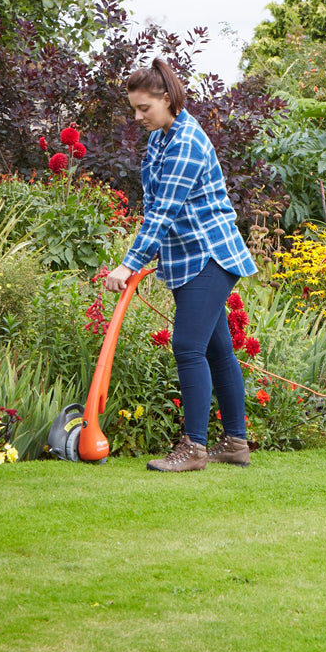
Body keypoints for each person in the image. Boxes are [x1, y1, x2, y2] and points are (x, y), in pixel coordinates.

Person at [104, 58, 256, 472]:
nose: (138, 117)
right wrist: (142, 258)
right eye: (134, 109)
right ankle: (236, 443)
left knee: (188, 347)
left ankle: (194, 449)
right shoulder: (161, 138)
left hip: (209, 254)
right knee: (218, 350)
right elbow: (154, 203)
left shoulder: (186, 142)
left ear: (168, 99)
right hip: (188, 255)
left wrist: (128, 264)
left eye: (144, 108)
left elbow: (163, 212)